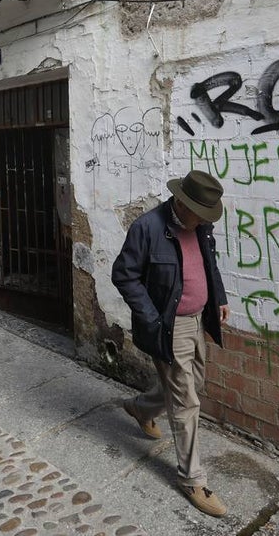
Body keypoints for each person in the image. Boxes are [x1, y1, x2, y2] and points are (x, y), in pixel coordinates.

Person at [112, 170, 231, 518]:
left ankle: (142, 407)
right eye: (201, 213)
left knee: (192, 386)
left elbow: (209, 264)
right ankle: (192, 478)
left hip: (198, 321)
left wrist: (219, 296)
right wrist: (151, 317)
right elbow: (124, 274)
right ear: (182, 202)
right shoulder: (148, 228)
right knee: (186, 400)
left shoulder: (200, 226)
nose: (205, 221)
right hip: (169, 326)